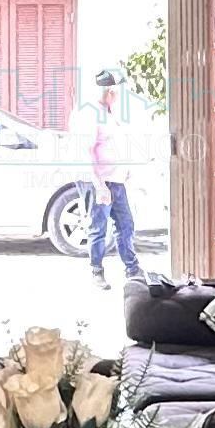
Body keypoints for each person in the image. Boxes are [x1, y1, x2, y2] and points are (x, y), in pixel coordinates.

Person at [80, 68, 137, 285]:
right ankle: (96, 270)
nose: (118, 96)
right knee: (98, 227)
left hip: (116, 180)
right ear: (109, 92)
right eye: (117, 92)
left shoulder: (109, 113)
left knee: (125, 225)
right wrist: (99, 184)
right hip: (100, 181)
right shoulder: (90, 114)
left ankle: (132, 268)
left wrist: (125, 170)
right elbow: (86, 151)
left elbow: (114, 144)